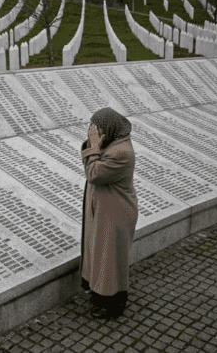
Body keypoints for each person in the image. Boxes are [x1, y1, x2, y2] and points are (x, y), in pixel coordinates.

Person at [80, 107, 138, 319]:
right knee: (102, 257)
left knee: (110, 260)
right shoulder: (114, 143)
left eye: (98, 129)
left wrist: (93, 147)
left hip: (116, 213)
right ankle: (101, 296)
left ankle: (113, 305)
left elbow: (94, 173)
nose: (94, 133)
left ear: (110, 129)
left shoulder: (121, 153)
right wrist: (93, 145)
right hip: (107, 211)